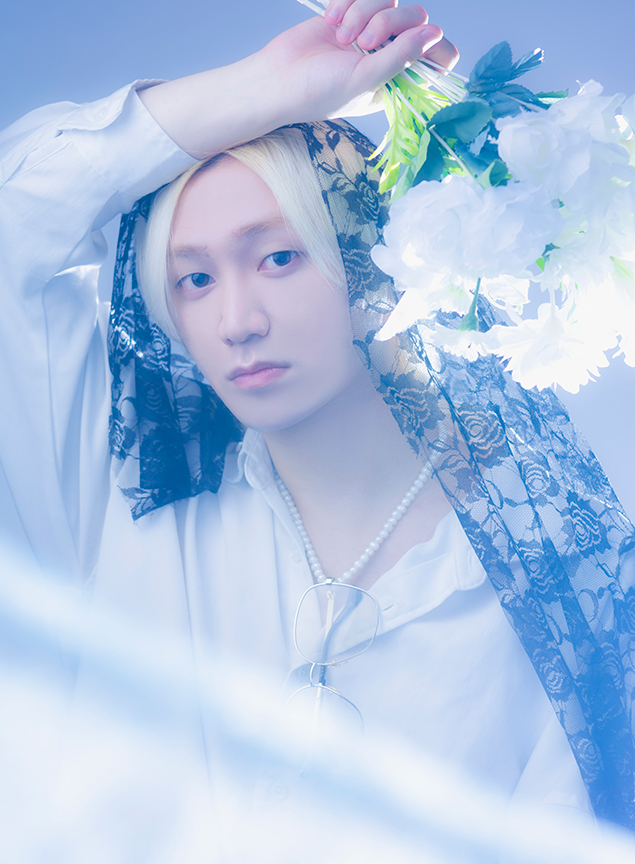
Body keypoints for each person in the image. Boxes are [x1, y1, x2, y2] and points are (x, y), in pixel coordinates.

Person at [0, 0, 633, 849]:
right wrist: (264, 88)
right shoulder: (124, 504)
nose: (237, 322)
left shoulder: (547, 594)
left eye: (277, 257)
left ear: (375, 267)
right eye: (194, 280)